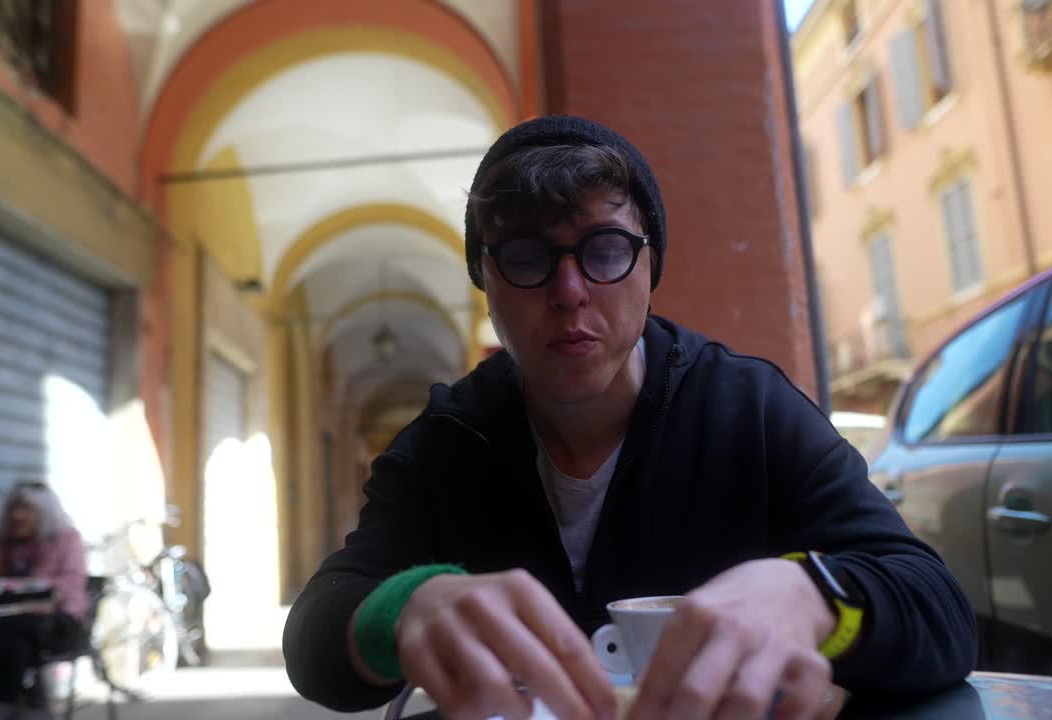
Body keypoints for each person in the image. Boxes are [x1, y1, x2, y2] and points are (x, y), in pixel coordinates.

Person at [283, 116, 977, 720]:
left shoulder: (748, 410)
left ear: (651, 268)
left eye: (607, 250)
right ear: (484, 283)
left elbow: (938, 607)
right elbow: (315, 638)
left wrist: (814, 595)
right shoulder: (446, 442)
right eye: (524, 257)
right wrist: (407, 607)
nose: (569, 291)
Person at [0, 480, 89, 717]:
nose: (18, 515)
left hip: (57, 624)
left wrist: (13, 586)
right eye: (14, 508)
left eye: (27, 509)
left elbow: (71, 584)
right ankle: (3, 708)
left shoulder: (67, 539)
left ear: (45, 514)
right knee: (14, 643)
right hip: (10, 626)